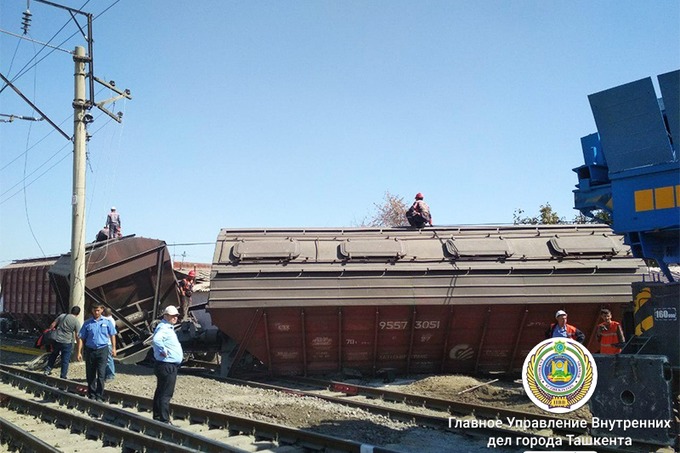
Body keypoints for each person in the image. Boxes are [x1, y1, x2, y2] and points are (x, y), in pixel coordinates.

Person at [76, 302, 117, 401]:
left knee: (101, 374)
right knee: (90, 374)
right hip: (90, 351)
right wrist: (79, 352)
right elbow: (81, 337)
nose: (96, 312)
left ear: (102, 310)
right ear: (92, 311)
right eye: (95, 310)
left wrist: (114, 348)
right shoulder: (87, 323)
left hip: (103, 350)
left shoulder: (107, 322)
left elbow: (112, 334)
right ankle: (92, 394)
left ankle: (99, 395)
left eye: (98, 310)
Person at [152, 305, 183, 424]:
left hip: (164, 365)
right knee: (166, 393)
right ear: (166, 316)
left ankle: (158, 416)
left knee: (160, 391)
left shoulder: (166, 327)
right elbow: (156, 340)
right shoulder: (164, 328)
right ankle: (164, 420)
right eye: (172, 316)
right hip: (168, 365)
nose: (175, 318)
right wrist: (163, 350)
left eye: (176, 316)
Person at [43, 306, 82, 378]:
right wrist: (79, 350)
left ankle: (47, 370)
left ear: (71, 311)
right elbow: (78, 336)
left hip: (57, 340)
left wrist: (51, 331)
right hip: (67, 342)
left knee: (53, 355)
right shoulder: (76, 322)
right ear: (78, 313)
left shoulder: (62, 316)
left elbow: (52, 325)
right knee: (65, 360)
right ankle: (63, 375)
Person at [102, 307, 117, 381]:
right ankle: (107, 374)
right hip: (106, 342)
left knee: (108, 359)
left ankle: (110, 375)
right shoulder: (112, 320)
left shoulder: (108, 320)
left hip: (107, 342)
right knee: (107, 359)